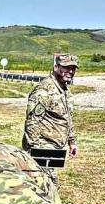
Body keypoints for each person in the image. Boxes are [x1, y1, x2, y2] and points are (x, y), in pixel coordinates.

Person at [24, 54, 79, 182]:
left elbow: (66, 118)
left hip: (55, 146)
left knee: (48, 184)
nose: (70, 71)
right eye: (66, 67)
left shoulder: (64, 90)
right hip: (42, 146)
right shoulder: (44, 90)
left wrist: (72, 142)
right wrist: (35, 152)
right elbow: (32, 121)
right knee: (45, 183)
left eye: (73, 68)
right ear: (56, 67)